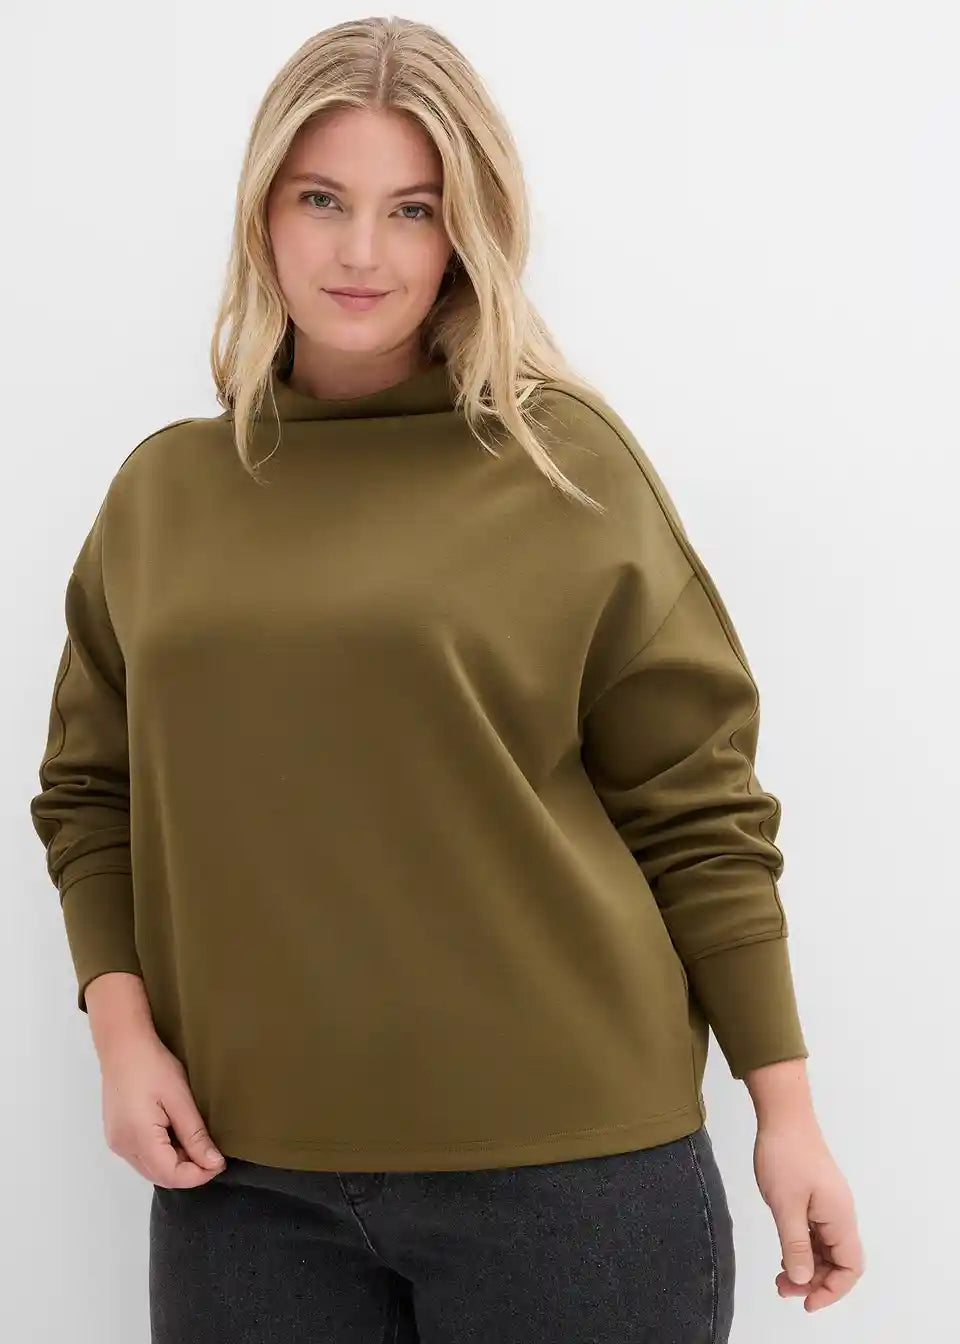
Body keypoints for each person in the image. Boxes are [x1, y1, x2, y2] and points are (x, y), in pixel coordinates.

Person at [28, 15, 863, 1343]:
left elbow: (697, 808)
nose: (362, 252)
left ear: (468, 231)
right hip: (242, 1184)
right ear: (262, 215)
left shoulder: (563, 468)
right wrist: (121, 1037)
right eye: (323, 200)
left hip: (572, 1177)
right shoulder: (164, 494)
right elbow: (89, 794)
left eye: (412, 209)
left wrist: (787, 1115)